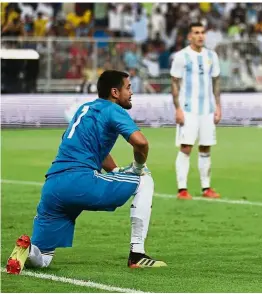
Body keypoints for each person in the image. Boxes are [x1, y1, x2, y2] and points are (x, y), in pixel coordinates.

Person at [6, 70, 166, 275]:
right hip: (80, 181)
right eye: (128, 88)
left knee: (43, 257)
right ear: (115, 92)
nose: (131, 92)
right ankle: (137, 255)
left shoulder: (84, 109)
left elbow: (90, 147)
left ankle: (26, 251)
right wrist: (137, 168)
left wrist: (115, 171)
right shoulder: (113, 109)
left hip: (53, 186)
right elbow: (141, 143)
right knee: (144, 180)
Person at [170, 22, 222, 200]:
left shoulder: (211, 56)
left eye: (202, 32)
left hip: (207, 109)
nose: (200, 36)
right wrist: (177, 109)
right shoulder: (182, 56)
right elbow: (174, 83)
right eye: (196, 33)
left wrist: (218, 106)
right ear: (189, 36)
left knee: (206, 147)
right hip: (188, 109)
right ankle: (182, 189)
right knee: (186, 147)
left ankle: (206, 187)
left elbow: (216, 82)